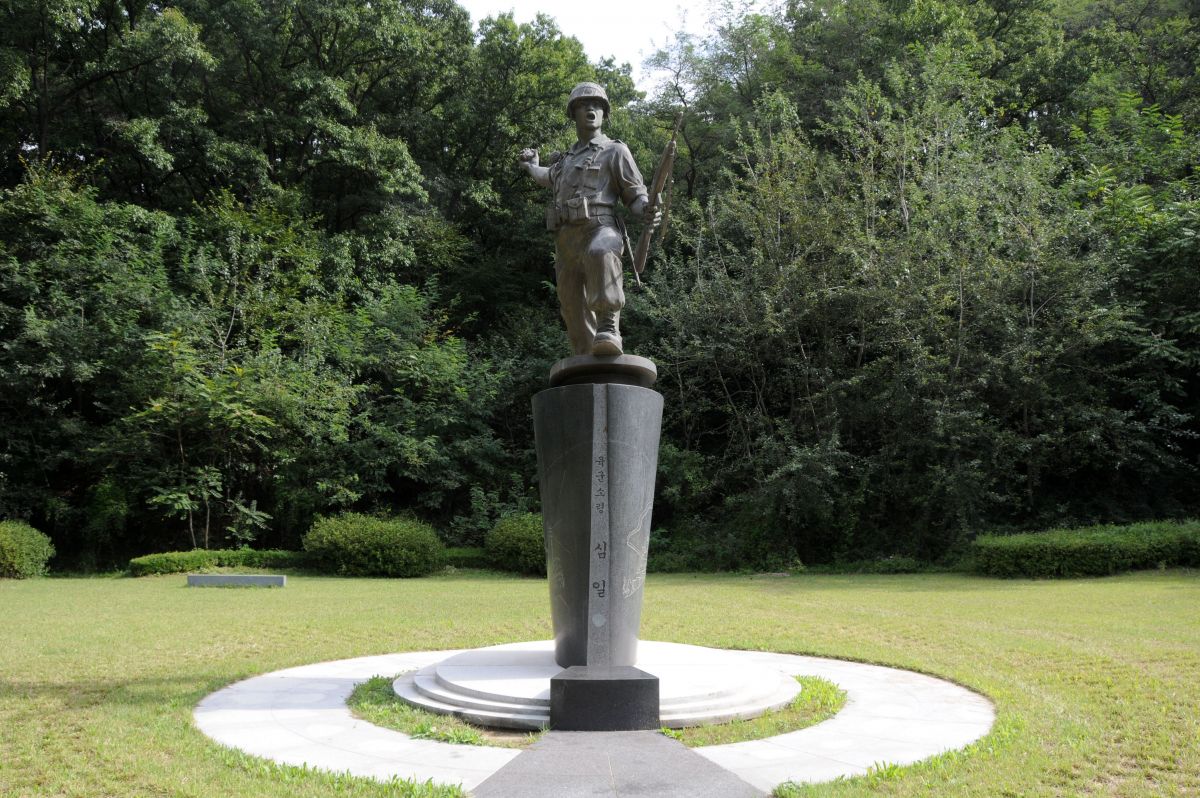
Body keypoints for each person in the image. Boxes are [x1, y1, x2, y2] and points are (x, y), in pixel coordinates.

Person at [518, 82, 660, 357]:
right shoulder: (565, 161)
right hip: (566, 240)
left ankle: (608, 326)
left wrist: (646, 209)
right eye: (584, 105)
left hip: (600, 227)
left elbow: (635, 195)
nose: (591, 109)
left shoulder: (615, 151)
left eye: (597, 105)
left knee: (601, 252)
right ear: (574, 113)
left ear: (604, 113)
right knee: (572, 307)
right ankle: (586, 361)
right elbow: (546, 176)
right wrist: (531, 166)